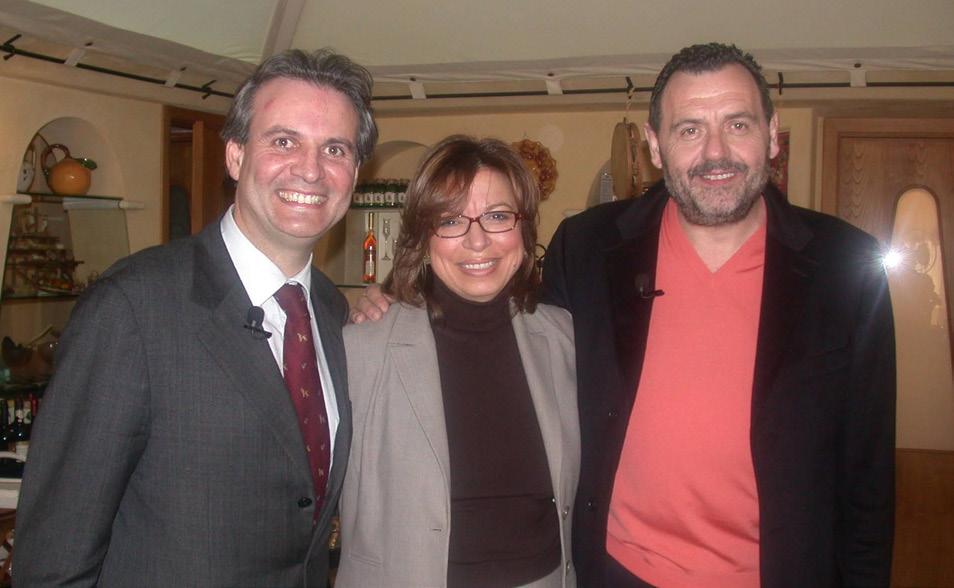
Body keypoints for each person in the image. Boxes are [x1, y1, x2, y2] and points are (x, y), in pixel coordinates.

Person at [353, 43, 896, 587]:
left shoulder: (846, 267)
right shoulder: (589, 247)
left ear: (771, 133)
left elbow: (868, 478)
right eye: (689, 129)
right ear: (655, 145)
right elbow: (500, 309)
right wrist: (396, 297)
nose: (715, 152)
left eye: (737, 124)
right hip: (615, 573)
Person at [14, 48, 377, 587]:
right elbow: (54, 556)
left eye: (335, 149)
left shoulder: (330, 310)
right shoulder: (133, 308)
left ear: (354, 173)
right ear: (235, 156)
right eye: (283, 141)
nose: (310, 169)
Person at [336, 135, 579, 588]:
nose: (478, 240)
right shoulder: (362, 349)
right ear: (422, 236)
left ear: (525, 229)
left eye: (498, 216)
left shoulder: (563, 338)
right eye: (450, 220)